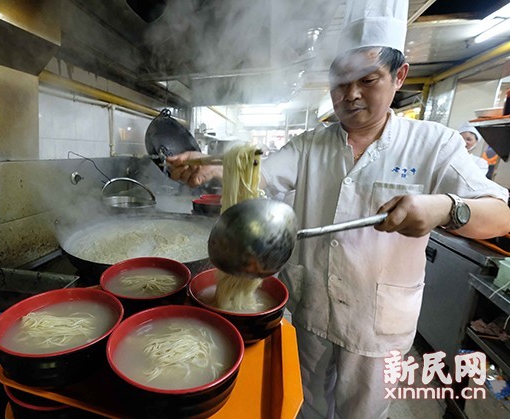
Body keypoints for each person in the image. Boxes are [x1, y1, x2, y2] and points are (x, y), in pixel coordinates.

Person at [167, 1, 510, 417]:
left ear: (399, 76)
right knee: (307, 406)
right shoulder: (311, 144)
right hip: (311, 312)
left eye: (368, 79)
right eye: (340, 82)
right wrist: (209, 167)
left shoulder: (433, 143)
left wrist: (444, 208)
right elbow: (258, 175)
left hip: (377, 328)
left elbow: (500, 213)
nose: (351, 95)